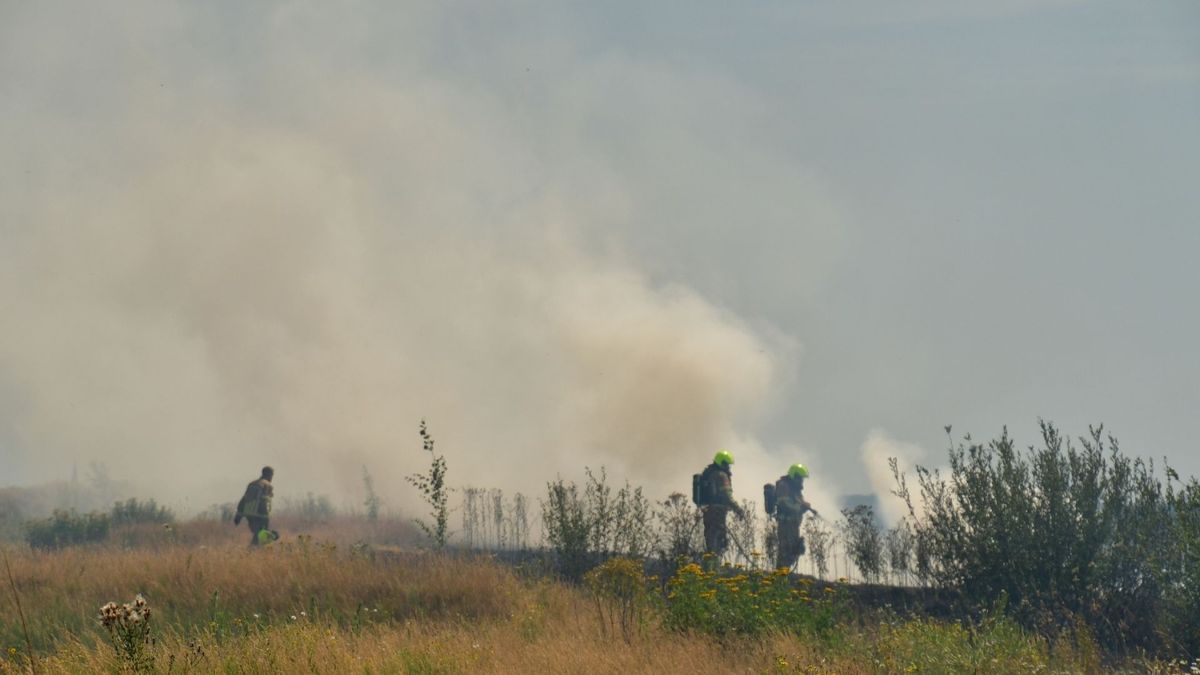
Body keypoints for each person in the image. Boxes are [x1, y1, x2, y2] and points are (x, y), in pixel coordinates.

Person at [696, 450, 744, 560]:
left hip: (708, 511)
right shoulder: (721, 476)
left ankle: (709, 566)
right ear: (722, 463)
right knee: (720, 543)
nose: (729, 467)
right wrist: (738, 510)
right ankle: (713, 569)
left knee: (710, 540)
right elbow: (727, 496)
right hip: (718, 513)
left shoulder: (709, 473)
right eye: (727, 464)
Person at [772, 463, 816, 571]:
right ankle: (781, 572)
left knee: (794, 549)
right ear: (794, 476)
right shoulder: (783, 485)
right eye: (800, 478)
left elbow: (799, 501)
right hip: (786, 524)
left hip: (793, 524)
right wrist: (800, 508)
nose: (801, 481)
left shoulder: (795, 489)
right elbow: (784, 503)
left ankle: (785, 571)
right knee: (785, 549)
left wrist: (807, 506)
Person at [234, 466, 274, 546]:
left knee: (257, 534)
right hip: (262, 514)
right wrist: (266, 517)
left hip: (249, 513)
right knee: (262, 534)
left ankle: (253, 552)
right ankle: (252, 552)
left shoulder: (252, 484)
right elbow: (267, 503)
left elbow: (244, 499)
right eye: (272, 475)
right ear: (269, 474)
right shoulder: (268, 485)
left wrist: (239, 515)